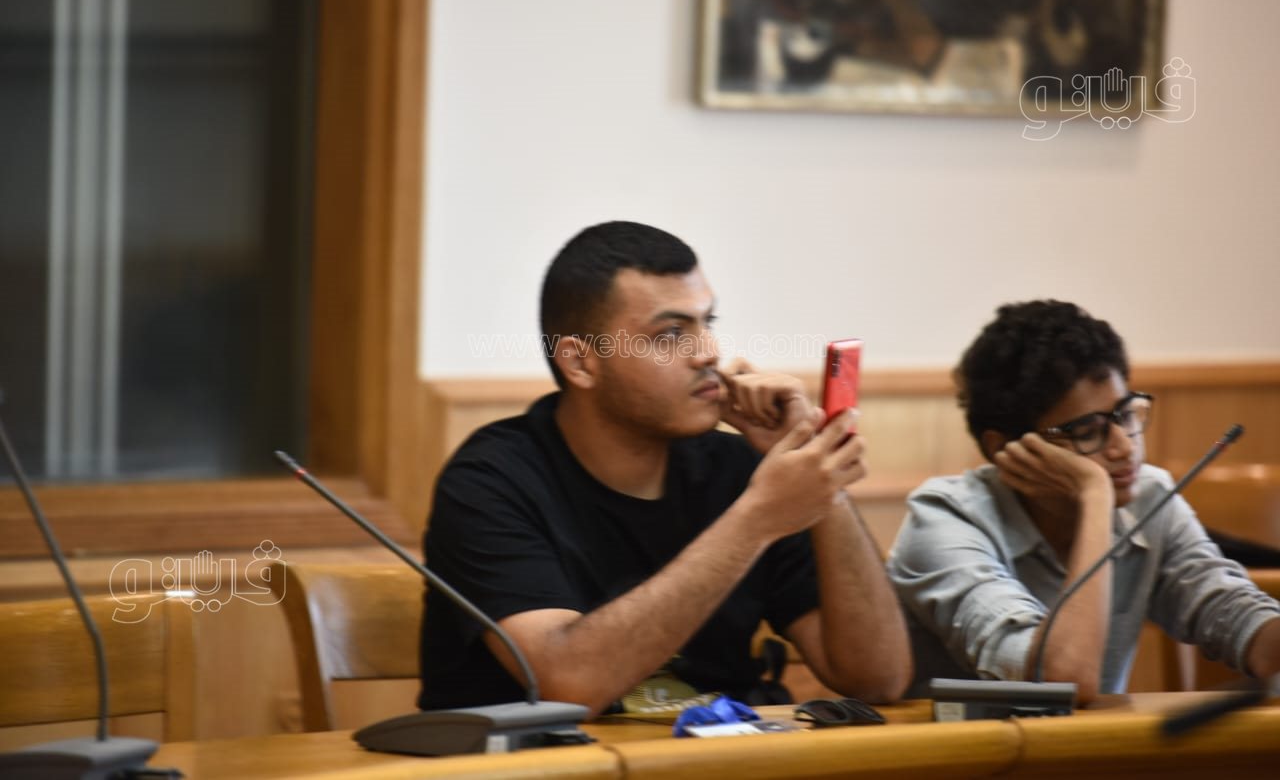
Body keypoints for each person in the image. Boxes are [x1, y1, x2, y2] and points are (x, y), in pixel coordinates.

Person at [418, 221, 910, 715]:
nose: (708, 352)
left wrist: (820, 475)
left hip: (728, 750)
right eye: (672, 334)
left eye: (707, 323)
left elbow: (877, 678)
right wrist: (759, 518)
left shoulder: (742, 470)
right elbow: (569, 685)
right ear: (580, 363)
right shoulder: (490, 482)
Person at [887, 300, 1280, 703]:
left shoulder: (1149, 497)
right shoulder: (944, 520)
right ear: (1004, 449)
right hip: (958, 744)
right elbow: (1061, 679)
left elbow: (1237, 619)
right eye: (1087, 431)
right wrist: (1094, 496)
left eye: (1125, 414)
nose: (1124, 447)